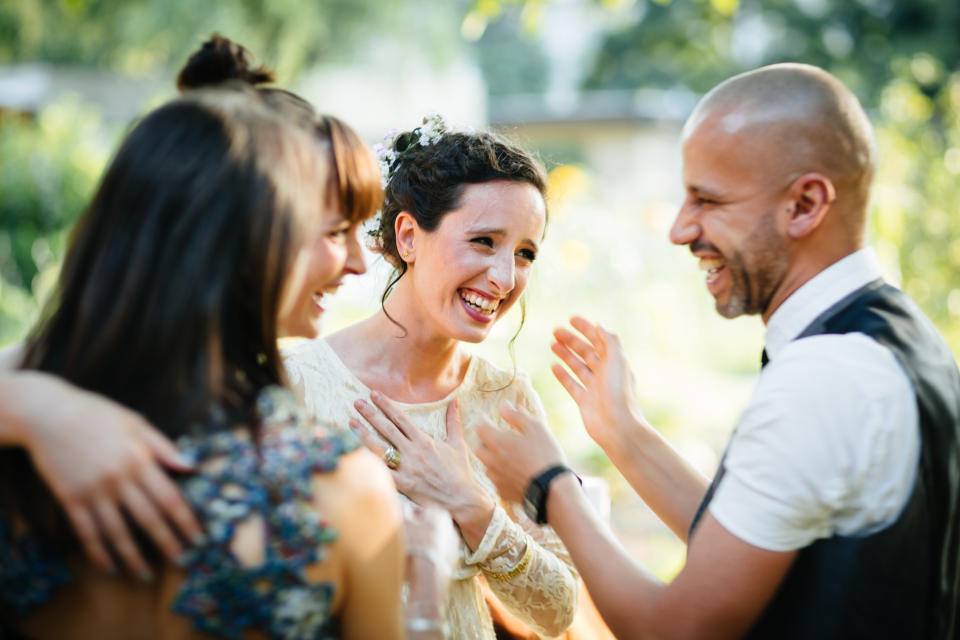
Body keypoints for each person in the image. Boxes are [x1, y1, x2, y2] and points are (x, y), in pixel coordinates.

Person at [474, 62, 960, 639]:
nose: (680, 229)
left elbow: (675, 629)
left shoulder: (822, 378)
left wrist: (549, 486)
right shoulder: (896, 337)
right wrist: (624, 432)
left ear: (805, 204)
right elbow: (754, 533)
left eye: (708, 200)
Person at [0, 83, 416, 638]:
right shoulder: (342, 491)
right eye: (335, 230)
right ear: (254, 246)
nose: (361, 265)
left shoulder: (21, 438)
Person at [283, 115, 580, 638]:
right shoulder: (296, 385)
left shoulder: (506, 399)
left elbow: (558, 613)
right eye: (485, 241)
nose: (506, 278)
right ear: (408, 236)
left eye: (525, 253)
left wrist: (470, 503)